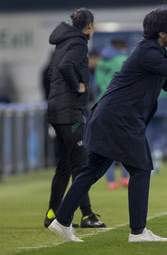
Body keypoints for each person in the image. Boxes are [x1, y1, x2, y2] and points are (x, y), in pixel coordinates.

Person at [48, 6, 167, 242]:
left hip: (111, 119)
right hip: (119, 121)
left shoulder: (153, 53)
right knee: (141, 169)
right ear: (162, 33)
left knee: (92, 170)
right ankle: (138, 232)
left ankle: (62, 220)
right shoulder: (149, 53)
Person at [45, 8, 105, 229]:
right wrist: (77, 87)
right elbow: (65, 67)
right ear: (88, 26)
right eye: (94, 25)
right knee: (80, 164)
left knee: (63, 166)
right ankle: (87, 215)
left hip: (56, 109)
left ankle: (52, 213)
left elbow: (53, 71)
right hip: (69, 111)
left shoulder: (62, 42)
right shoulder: (79, 43)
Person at [94, 39, 130, 190]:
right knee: (127, 145)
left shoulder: (101, 62)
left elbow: (96, 85)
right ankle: (124, 177)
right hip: (120, 107)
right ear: (121, 47)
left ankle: (110, 181)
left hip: (102, 106)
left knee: (107, 146)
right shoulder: (123, 60)